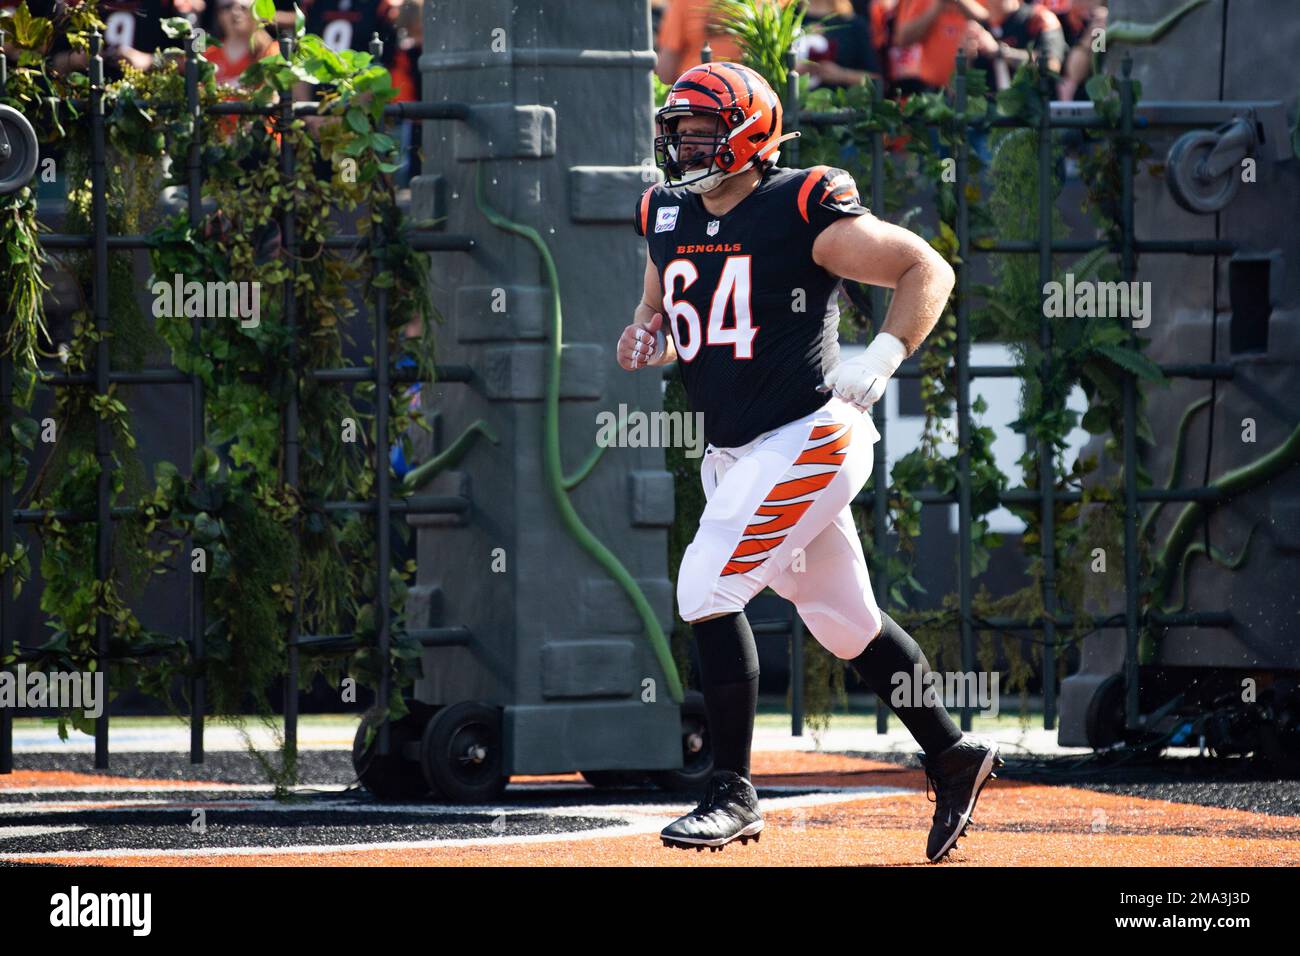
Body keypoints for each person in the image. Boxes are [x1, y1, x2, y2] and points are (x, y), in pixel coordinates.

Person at [621, 61, 1002, 862]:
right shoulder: (665, 211)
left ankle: (732, 791)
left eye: (701, 131)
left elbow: (924, 267)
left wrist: (889, 351)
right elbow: (661, 298)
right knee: (842, 620)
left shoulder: (798, 205)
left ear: (750, 134)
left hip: (810, 436)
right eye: (677, 130)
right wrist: (647, 333)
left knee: (705, 585)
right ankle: (951, 752)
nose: (683, 145)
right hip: (736, 451)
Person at [890, 0, 989, 96]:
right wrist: (935, 8)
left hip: (975, 88)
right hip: (931, 90)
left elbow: (992, 23)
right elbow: (902, 39)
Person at [966, 0, 1069, 88]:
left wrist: (1000, 52)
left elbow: (1051, 66)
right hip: (990, 106)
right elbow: (962, 91)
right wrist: (966, 58)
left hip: (1034, 106)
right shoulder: (981, 28)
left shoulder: (1039, 19)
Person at [793, 0, 881, 90]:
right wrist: (791, 71)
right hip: (791, 102)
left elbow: (875, 80)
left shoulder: (854, 25)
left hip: (841, 101)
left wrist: (842, 75)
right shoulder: (787, 19)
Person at [655, 0, 743, 85]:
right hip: (694, 89)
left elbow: (666, 69)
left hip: (744, 89)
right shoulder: (683, 2)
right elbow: (667, 65)